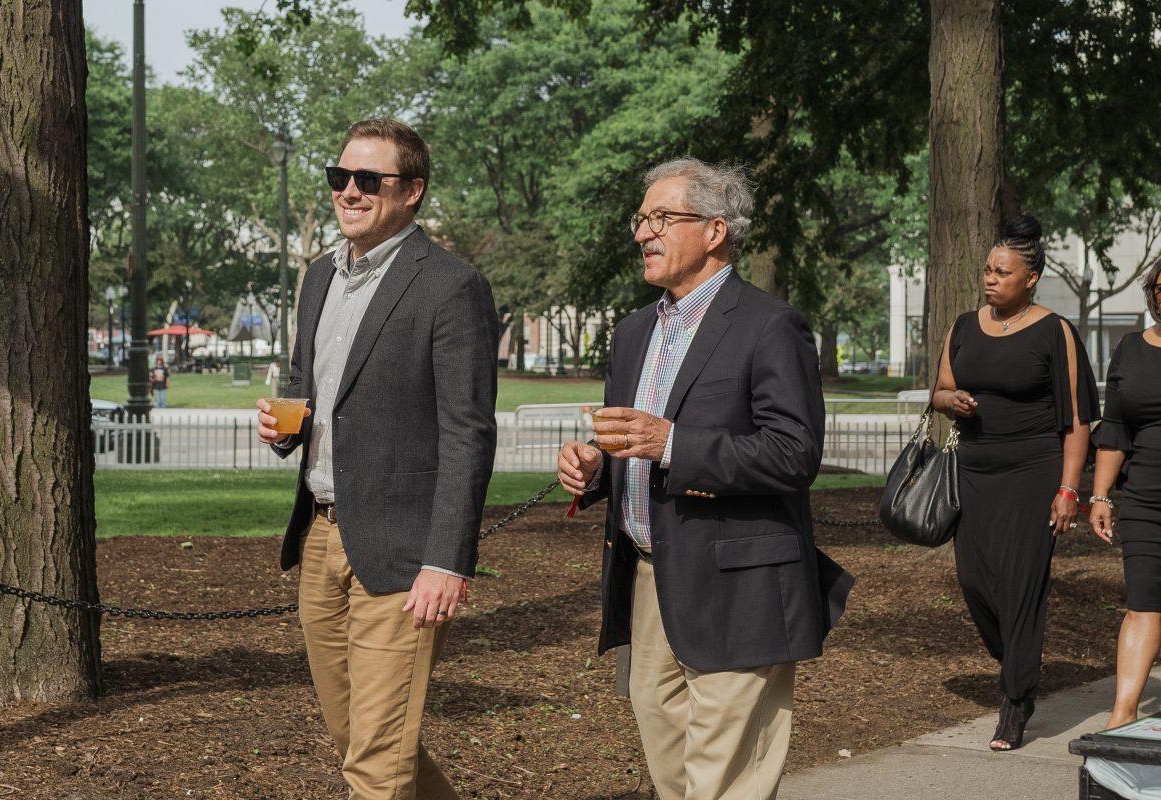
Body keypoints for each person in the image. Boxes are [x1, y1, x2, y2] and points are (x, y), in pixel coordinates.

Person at [555, 158, 853, 800]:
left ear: (716, 230)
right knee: (672, 767)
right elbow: (633, 444)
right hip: (648, 578)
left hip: (739, 584)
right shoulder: (633, 332)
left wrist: (672, 443)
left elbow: (794, 454)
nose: (643, 233)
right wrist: (597, 467)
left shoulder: (769, 325)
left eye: (662, 218)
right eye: (641, 219)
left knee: (724, 780)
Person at [254, 118, 499, 798]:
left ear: (412, 191)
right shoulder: (319, 277)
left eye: (369, 179)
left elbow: (468, 434)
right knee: (358, 739)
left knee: (376, 759)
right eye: (340, 177)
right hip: (321, 538)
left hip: (404, 554)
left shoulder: (450, 286)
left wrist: (447, 560)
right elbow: (305, 382)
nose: (349, 191)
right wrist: (284, 425)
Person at [932, 215, 1099, 750]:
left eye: (1002, 272)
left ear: (1031, 278)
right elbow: (939, 389)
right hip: (974, 472)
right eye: (988, 269)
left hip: (1033, 473)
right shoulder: (963, 326)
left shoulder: (1055, 331)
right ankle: (1019, 664)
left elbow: (1077, 418)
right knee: (974, 582)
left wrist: (1069, 489)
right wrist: (951, 401)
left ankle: (1016, 699)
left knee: (1020, 583)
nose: (990, 278)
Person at [1089, 258, 1161, 729]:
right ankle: (1122, 716)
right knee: (1143, 604)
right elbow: (1115, 428)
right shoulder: (1130, 349)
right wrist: (1100, 495)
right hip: (1145, 501)